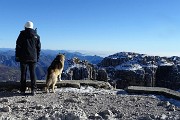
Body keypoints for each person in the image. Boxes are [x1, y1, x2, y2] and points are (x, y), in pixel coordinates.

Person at [15, 21, 41, 95]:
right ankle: (34, 90)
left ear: (25, 27)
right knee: (33, 73)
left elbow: (18, 46)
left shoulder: (22, 34)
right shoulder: (37, 36)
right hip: (33, 57)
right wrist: (37, 57)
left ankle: (22, 90)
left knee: (23, 74)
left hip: (23, 57)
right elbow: (38, 48)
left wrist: (17, 56)